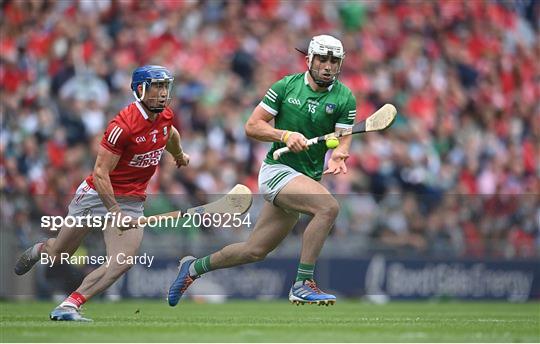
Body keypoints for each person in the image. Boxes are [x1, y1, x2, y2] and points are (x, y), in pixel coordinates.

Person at [167, 35, 356, 306]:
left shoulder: (344, 97)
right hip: (277, 171)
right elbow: (252, 126)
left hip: (306, 179)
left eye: (334, 61)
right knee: (328, 208)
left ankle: (193, 268)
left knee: (254, 251)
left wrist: (339, 154)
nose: (328, 66)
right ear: (309, 60)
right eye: (322, 59)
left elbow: (344, 135)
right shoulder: (286, 87)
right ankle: (303, 283)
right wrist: (284, 135)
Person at [14, 65, 190, 321]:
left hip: (132, 201)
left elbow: (170, 133)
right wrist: (115, 211)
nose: (162, 93)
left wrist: (178, 154)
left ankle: (69, 305)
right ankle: (41, 249)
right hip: (97, 196)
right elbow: (100, 173)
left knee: (121, 261)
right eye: (157, 86)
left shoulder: (165, 117)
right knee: (58, 255)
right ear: (140, 89)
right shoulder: (123, 125)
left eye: (165, 86)